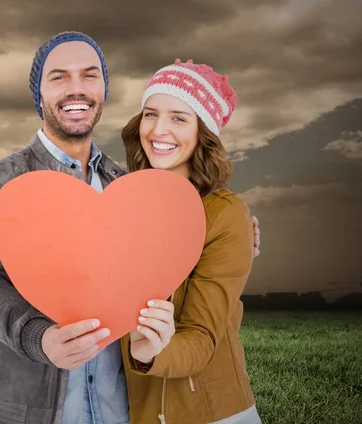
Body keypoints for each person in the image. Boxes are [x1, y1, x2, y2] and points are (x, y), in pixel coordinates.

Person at [0, 31, 261, 424]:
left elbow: (187, 224)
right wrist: (40, 337)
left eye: (89, 76)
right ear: (38, 94)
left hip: (120, 407)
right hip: (30, 411)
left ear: (104, 90)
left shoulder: (129, 188)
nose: (76, 89)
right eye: (58, 77)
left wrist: (236, 226)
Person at [119, 60, 263, 424]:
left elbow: (201, 338)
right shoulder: (125, 205)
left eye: (179, 118)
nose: (158, 130)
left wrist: (151, 352)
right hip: (140, 413)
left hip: (213, 414)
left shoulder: (224, 214)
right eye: (151, 114)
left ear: (204, 133)